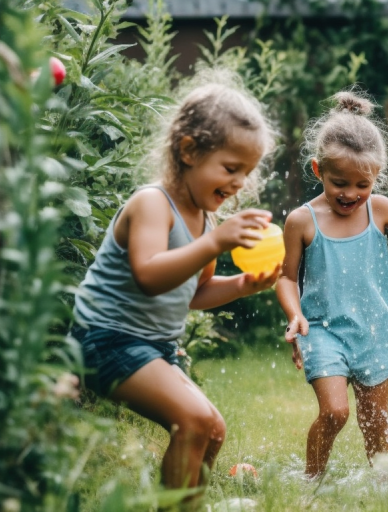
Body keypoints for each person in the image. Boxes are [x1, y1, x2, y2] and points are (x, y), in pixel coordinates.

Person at [70, 75, 280, 496]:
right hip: (105, 339)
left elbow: (195, 292)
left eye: (247, 173)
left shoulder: (204, 220)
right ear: (188, 151)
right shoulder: (152, 203)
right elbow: (149, 276)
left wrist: (242, 284)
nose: (240, 183)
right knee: (193, 420)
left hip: (155, 347)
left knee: (212, 430)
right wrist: (214, 244)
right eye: (231, 168)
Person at [276, 90, 388, 479]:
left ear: (377, 176)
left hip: (374, 329)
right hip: (322, 330)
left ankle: (385, 488)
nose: (351, 194)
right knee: (335, 412)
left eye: (363, 184)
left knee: (375, 420)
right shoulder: (302, 221)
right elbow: (286, 277)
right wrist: (294, 316)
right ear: (318, 170)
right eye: (339, 182)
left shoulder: (381, 209)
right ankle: (311, 483)